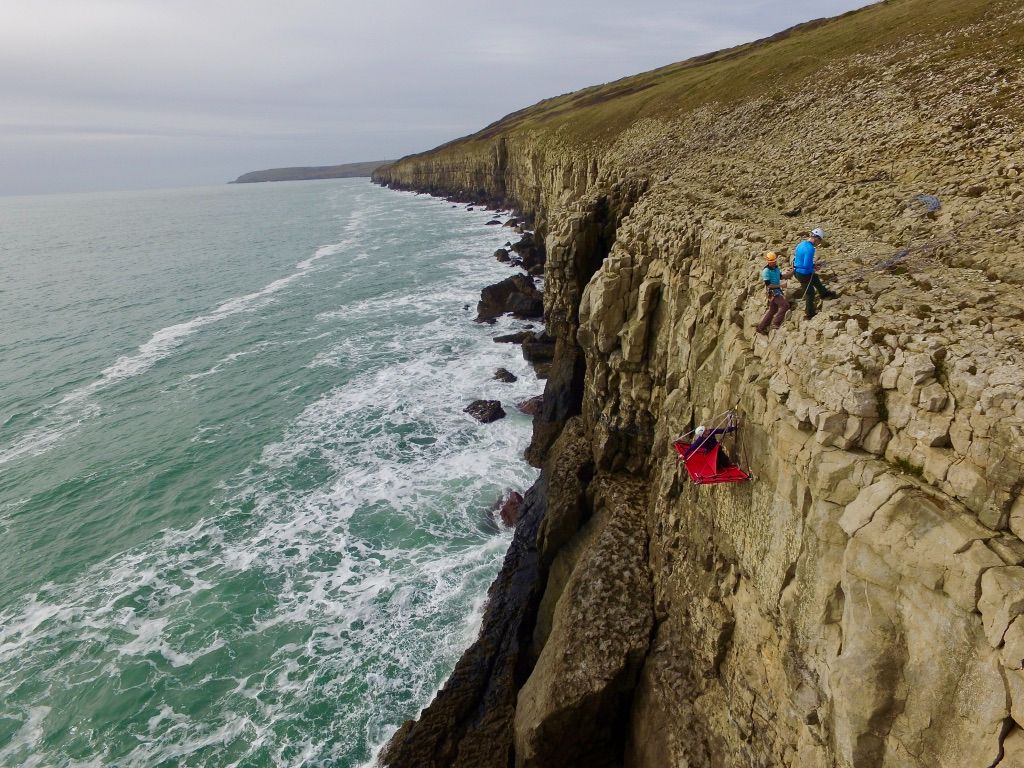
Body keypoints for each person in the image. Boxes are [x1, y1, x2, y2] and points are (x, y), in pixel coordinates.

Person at [792, 227, 837, 319]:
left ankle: (824, 293)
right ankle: (809, 313)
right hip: (804, 274)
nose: (819, 243)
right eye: (819, 241)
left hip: (797, 271)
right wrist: (814, 267)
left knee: (815, 278)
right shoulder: (810, 249)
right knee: (810, 293)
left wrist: (813, 265)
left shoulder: (801, 244)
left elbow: (799, 258)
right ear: (816, 238)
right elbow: (806, 264)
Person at [756, 251, 792, 335]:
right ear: (768, 262)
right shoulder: (766, 271)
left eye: (774, 261)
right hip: (773, 292)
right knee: (785, 305)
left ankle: (761, 328)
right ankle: (775, 323)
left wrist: (791, 273)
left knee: (773, 310)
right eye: (772, 262)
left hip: (777, 290)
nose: (774, 263)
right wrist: (781, 285)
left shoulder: (776, 268)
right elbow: (768, 285)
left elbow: (781, 276)